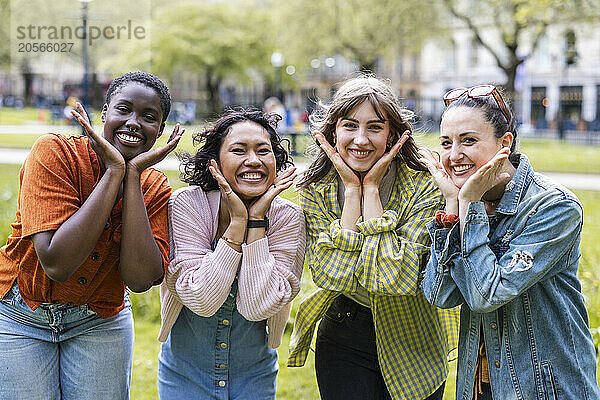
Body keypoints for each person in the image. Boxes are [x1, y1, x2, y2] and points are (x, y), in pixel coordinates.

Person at [0, 71, 183, 399]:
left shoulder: (154, 187)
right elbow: (57, 263)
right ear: (104, 114)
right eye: (123, 109)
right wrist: (114, 171)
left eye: (149, 117)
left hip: (99, 318)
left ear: (161, 130)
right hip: (20, 314)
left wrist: (133, 176)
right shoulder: (54, 153)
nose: (133, 122)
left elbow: (141, 279)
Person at [419, 85, 600, 400]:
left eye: (469, 140)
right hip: (479, 386)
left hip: (544, 389)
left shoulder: (553, 206)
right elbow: (440, 294)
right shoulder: (461, 198)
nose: (453, 155)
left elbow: (488, 294)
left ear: (505, 143)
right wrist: (453, 206)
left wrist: (470, 205)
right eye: (446, 143)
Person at [287, 75, 458, 400]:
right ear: (333, 131)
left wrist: (372, 192)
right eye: (350, 126)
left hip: (415, 333)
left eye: (375, 127)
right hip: (343, 331)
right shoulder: (315, 189)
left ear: (393, 133)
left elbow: (392, 277)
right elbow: (330, 275)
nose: (361, 140)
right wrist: (353, 190)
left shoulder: (422, 186)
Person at [157, 109, 306, 399]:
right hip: (185, 373)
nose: (254, 160)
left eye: (264, 151)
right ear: (215, 163)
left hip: (255, 374)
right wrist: (238, 225)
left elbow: (257, 306)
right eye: (239, 150)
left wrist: (257, 222)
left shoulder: (288, 218)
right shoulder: (188, 205)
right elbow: (201, 299)